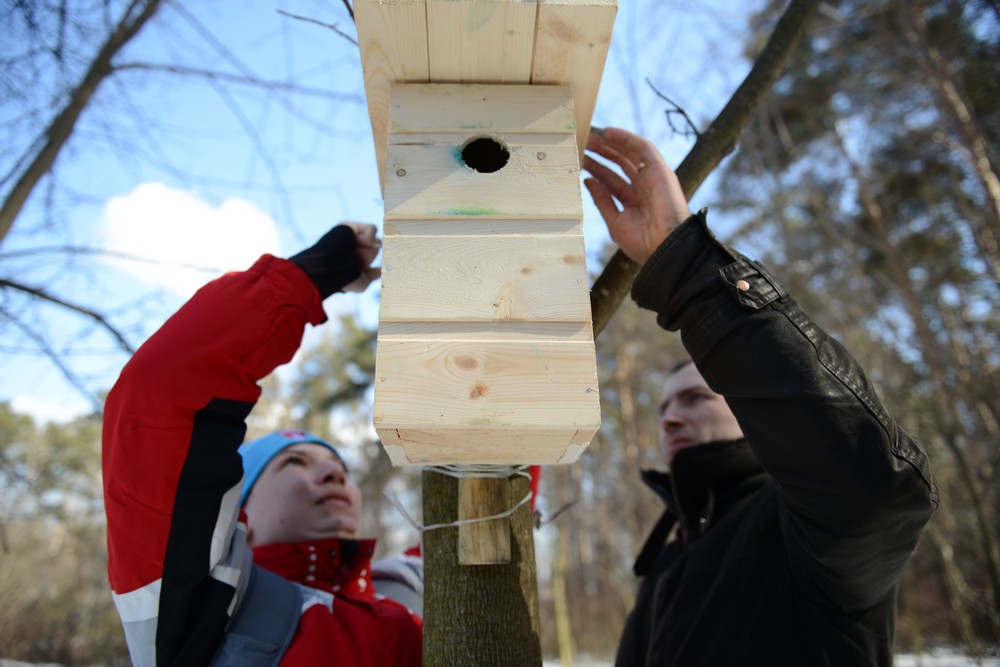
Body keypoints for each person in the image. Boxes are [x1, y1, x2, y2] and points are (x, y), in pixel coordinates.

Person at [582, 127, 938, 666]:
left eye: (696, 400)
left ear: (748, 404)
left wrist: (687, 268)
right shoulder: (666, 560)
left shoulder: (806, 530)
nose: (671, 420)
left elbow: (874, 488)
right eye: (665, 408)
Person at [102, 223, 422, 667]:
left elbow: (495, 500)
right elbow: (162, 393)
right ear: (238, 509)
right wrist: (309, 277)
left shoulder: (405, 588)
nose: (333, 474)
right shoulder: (203, 601)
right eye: (294, 462)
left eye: (340, 469)